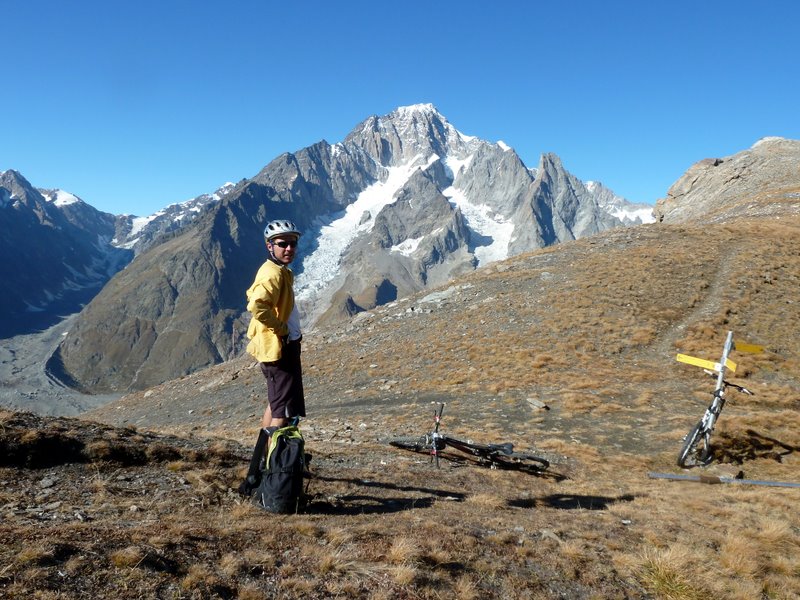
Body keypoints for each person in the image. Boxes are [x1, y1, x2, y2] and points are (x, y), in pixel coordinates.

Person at [238, 219, 306, 496]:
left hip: (278, 348)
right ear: (270, 246)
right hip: (279, 349)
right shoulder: (273, 274)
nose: (289, 248)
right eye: (282, 244)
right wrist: (281, 329)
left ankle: (262, 464)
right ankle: (271, 471)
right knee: (282, 412)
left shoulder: (278, 270)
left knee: (276, 404)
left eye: (292, 243)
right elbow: (257, 305)